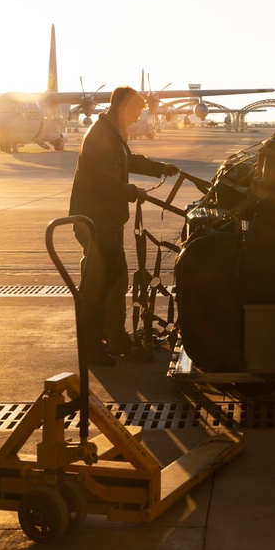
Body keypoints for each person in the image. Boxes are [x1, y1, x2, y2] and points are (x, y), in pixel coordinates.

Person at [69, 86, 180, 366]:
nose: (134, 120)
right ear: (122, 110)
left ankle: (114, 338)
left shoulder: (110, 135)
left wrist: (159, 168)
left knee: (116, 281)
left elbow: (127, 160)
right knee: (97, 288)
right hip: (96, 224)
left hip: (105, 222)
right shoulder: (100, 137)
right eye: (133, 115)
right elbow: (108, 185)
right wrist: (134, 192)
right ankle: (92, 349)